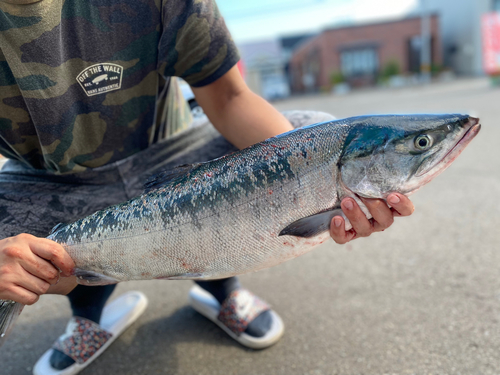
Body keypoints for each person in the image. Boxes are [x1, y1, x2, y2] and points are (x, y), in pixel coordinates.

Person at [0, 0, 414, 374]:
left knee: (314, 130)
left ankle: (222, 290)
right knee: (14, 247)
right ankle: (88, 315)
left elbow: (230, 97)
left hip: (173, 152)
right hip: (52, 178)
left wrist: (319, 183)